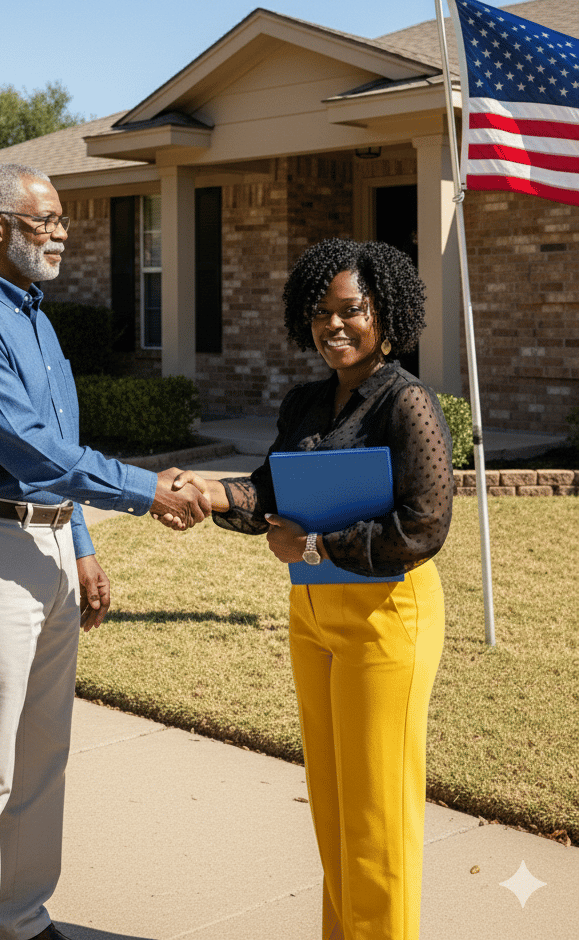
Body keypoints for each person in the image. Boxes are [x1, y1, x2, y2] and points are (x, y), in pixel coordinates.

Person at [0, 162, 210, 940]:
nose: (62, 234)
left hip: (42, 544)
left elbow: (59, 453)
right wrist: (147, 492)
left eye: (63, 221)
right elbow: (31, 449)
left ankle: (19, 916)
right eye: (45, 221)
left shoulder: (36, 318)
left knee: (43, 755)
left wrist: (78, 543)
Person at [186, 238, 453, 940]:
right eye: (320, 313)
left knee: (378, 819)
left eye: (350, 310)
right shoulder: (306, 402)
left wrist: (315, 545)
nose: (333, 325)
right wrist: (210, 493)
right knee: (334, 812)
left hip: (387, 620)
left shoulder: (408, 402)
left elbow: (423, 528)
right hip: (313, 613)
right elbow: (269, 492)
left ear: (384, 313)